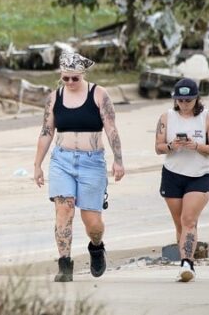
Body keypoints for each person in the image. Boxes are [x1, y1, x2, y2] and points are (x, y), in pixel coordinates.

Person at [34, 51, 125, 282]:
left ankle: (96, 247)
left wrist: (118, 159)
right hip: (61, 160)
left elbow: (111, 128)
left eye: (75, 78)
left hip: (92, 162)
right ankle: (65, 264)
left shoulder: (99, 94)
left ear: (83, 74)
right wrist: (37, 165)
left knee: (91, 221)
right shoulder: (54, 97)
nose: (71, 83)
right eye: (66, 78)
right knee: (64, 210)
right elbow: (46, 132)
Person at [154, 78, 209, 283]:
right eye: (180, 100)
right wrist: (171, 146)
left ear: (197, 98)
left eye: (188, 100)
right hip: (173, 174)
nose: (184, 104)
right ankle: (185, 260)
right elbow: (158, 147)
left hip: (200, 175)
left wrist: (197, 146)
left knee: (189, 220)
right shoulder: (166, 117)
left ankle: (187, 263)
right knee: (180, 224)